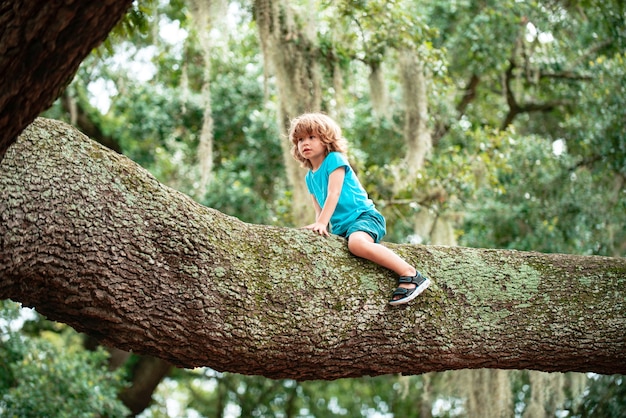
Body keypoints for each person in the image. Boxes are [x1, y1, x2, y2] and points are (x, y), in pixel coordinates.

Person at [288, 112, 431, 305]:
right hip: (342, 229)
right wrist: (319, 225)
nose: (305, 143)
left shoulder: (335, 159)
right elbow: (319, 208)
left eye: (312, 137)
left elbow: (334, 193)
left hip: (364, 217)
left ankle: (411, 275)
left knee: (356, 244)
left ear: (325, 139)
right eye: (300, 139)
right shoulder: (309, 177)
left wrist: (322, 222)